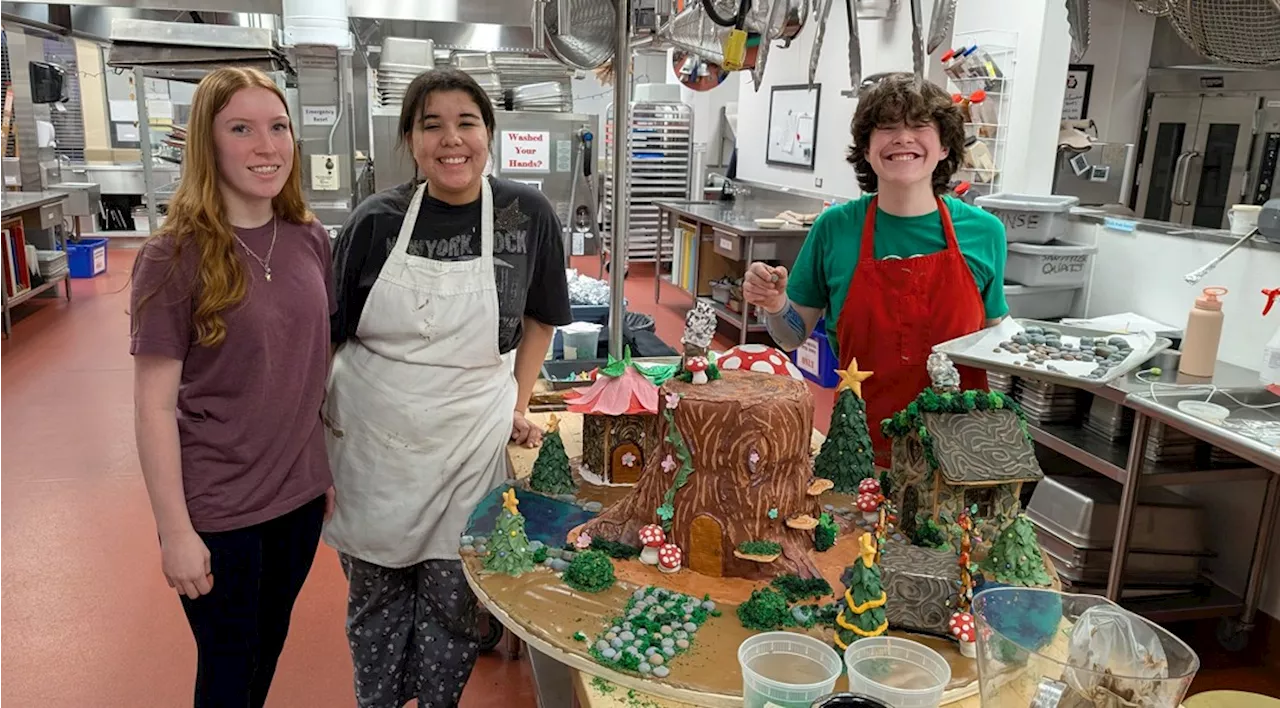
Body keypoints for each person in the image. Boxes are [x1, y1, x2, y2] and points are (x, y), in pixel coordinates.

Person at [325, 67, 572, 707]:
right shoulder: (374, 222)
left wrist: (519, 403)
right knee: (376, 598)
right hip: (375, 441)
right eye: (431, 124)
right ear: (410, 139)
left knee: (456, 599)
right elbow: (327, 339)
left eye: (467, 122)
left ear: (489, 132)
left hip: (470, 437)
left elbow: (541, 317)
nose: (451, 139)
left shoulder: (527, 215)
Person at [130, 67, 335, 707]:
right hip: (219, 511)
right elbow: (153, 405)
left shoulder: (309, 238)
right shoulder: (173, 255)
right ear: (208, 143)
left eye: (278, 128)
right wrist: (175, 532)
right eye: (240, 128)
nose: (265, 146)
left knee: (267, 648)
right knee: (226, 672)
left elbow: (311, 369)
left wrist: (321, 471)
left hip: (298, 501)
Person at [744, 73, 1008, 466]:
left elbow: (997, 339)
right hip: (860, 447)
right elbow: (790, 337)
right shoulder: (835, 228)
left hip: (959, 450)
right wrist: (775, 303)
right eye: (887, 127)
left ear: (944, 146)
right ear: (866, 151)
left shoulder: (984, 233)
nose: (903, 137)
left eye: (919, 126)